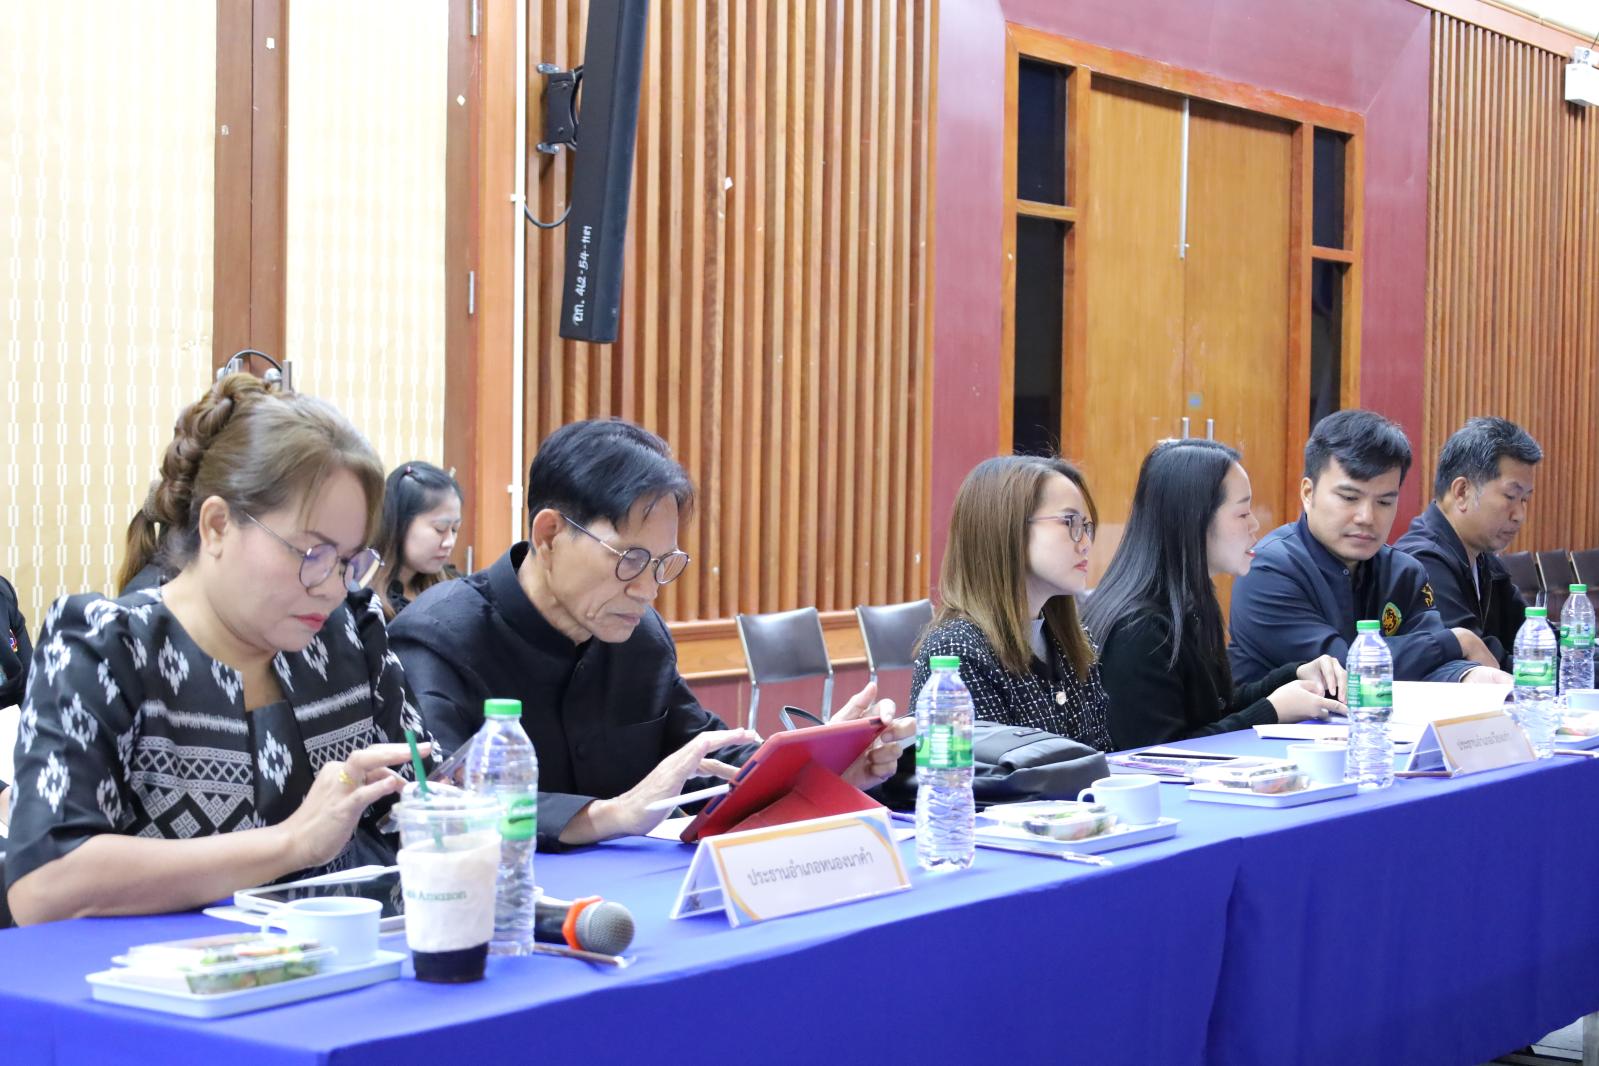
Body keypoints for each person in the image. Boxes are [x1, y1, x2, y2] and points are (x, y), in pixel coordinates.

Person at [4, 374, 430, 925]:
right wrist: (292, 842)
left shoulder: (351, 631)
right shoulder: (105, 650)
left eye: (350, 562)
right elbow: (43, 884)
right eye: (312, 554)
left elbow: (423, 800)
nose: (331, 586)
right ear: (217, 525)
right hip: (155, 973)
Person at [389, 418, 911, 849]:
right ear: (549, 535)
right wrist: (609, 815)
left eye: (663, 564)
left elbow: (706, 760)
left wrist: (820, 765)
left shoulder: (638, 637)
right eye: (630, 559)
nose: (648, 589)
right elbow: (440, 803)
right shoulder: (438, 638)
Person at [1084, 440, 1346, 750]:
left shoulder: (1192, 601)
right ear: (1194, 520)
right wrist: (1273, 711)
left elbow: (1216, 708)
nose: (1255, 524)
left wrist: (1295, 675)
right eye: (1242, 513)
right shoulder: (1138, 629)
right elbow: (1159, 754)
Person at [1229, 409, 1511, 686]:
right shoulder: (1267, 569)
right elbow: (1343, 668)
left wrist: (1466, 675)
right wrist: (1456, 641)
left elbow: (1433, 663)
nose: (1366, 517)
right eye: (1349, 498)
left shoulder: (1403, 572)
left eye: (1384, 502)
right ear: (1308, 493)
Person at [909, 455, 1113, 751]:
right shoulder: (957, 652)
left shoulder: (1072, 642)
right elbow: (989, 775)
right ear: (1007, 529)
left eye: (1086, 526)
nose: (1085, 543)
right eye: (1069, 522)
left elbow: (1104, 757)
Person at [1394, 417, 1540, 671]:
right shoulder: (1422, 562)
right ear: (1462, 491)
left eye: (1525, 500)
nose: (1519, 515)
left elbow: (1535, 638)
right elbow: (1483, 662)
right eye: (1510, 496)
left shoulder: (1485, 561)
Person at [373, 462, 463, 618]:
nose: (450, 542)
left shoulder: (453, 586)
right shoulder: (363, 597)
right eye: (440, 528)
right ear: (400, 523)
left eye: (454, 529)